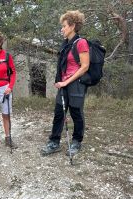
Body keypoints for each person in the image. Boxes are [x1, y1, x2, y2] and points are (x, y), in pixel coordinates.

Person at [41, 10, 90, 156]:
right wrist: (60, 81)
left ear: (73, 26)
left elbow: (85, 66)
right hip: (63, 84)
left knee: (76, 113)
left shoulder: (81, 43)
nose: (62, 29)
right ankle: (54, 142)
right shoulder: (65, 44)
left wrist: (66, 81)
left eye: (64, 26)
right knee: (58, 113)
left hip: (76, 84)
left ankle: (76, 142)